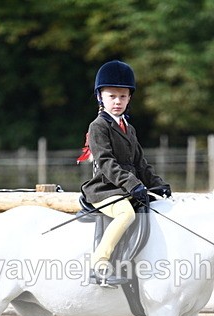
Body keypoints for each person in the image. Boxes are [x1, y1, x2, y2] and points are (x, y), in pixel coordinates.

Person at [77, 60, 171, 287]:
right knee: (126, 214)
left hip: (126, 187)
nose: (117, 101)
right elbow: (107, 163)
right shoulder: (98, 126)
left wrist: (157, 184)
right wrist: (132, 184)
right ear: (101, 97)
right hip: (104, 189)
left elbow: (140, 163)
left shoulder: (128, 128)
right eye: (112, 96)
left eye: (123, 96)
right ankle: (99, 264)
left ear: (129, 98)